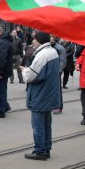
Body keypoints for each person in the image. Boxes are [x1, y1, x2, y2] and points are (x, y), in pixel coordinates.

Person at [21, 31, 61, 161]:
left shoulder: (42, 55)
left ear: (39, 41)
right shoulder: (53, 52)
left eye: (34, 39)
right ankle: (46, 148)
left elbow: (31, 76)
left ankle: (40, 151)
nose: (32, 41)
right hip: (49, 93)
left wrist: (25, 71)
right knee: (46, 123)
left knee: (38, 125)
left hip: (40, 93)